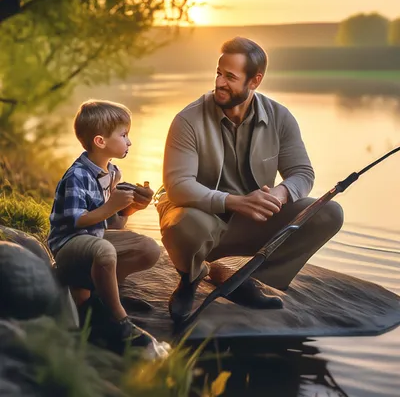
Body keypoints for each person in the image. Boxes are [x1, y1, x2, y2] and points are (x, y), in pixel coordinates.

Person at [157, 37, 344, 322]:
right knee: (183, 222)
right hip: (202, 218)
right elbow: (178, 186)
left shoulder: (280, 117)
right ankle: (190, 278)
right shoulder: (188, 120)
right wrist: (235, 202)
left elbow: (302, 173)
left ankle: (241, 279)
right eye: (218, 73)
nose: (220, 82)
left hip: (252, 220)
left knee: (328, 212)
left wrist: (280, 194)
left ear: (255, 81)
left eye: (230, 77)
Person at [48, 99, 161, 349]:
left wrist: (131, 207)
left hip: (96, 238)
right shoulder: (77, 175)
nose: (129, 141)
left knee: (150, 249)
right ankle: (119, 319)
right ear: (100, 141)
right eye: (124, 135)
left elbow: (114, 223)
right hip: (69, 244)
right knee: (105, 251)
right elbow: (77, 221)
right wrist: (112, 205)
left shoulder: (112, 172)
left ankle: (97, 293)